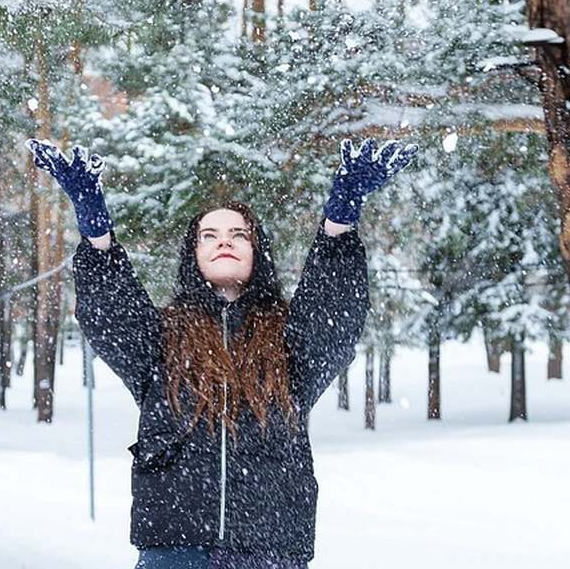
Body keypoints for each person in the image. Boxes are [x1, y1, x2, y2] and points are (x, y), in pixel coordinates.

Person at [27, 137, 418, 568]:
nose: (223, 242)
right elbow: (110, 314)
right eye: (208, 235)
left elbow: (334, 311)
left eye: (238, 235)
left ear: (257, 251)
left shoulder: (289, 338)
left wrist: (340, 221)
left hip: (270, 546)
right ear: (193, 254)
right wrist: (96, 233)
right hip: (175, 548)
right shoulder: (163, 336)